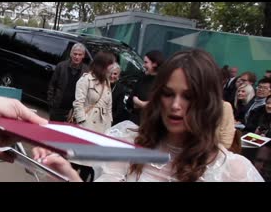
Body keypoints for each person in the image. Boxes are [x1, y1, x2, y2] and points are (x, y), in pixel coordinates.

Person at [33, 49, 263, 182]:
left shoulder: (232, 171)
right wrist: (69, 175)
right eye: (168, 94)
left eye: (189, 96)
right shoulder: (127, 143)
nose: (175, 105)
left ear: (208, 102)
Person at [72, 51, 115, 133]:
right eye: (111, 64)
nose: (113, 67)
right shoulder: (86, 79)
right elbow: (78, 103)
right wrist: (82, 122)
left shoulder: (107, 82)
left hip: (102, 127)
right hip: (86, 125)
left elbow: (109, 107)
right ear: (103, 64)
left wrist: (109, 124)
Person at [47, 43, 89, 122]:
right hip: (58, 107)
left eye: (80, 55)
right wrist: (51, 102)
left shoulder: (86, 71)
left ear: (83, 55)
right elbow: (52, 85)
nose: (77, 57)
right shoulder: (61, 66)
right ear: (71, 54)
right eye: (75, 54)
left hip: (74, 111)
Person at [126, 50, 165, 125]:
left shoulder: (163, 83)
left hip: (151, 126)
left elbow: (157, 106)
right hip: (135, 123)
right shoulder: (142, 78)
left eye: (146, 62)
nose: (143, 65)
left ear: (155, 64)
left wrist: (139, 103)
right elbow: (130, 102)